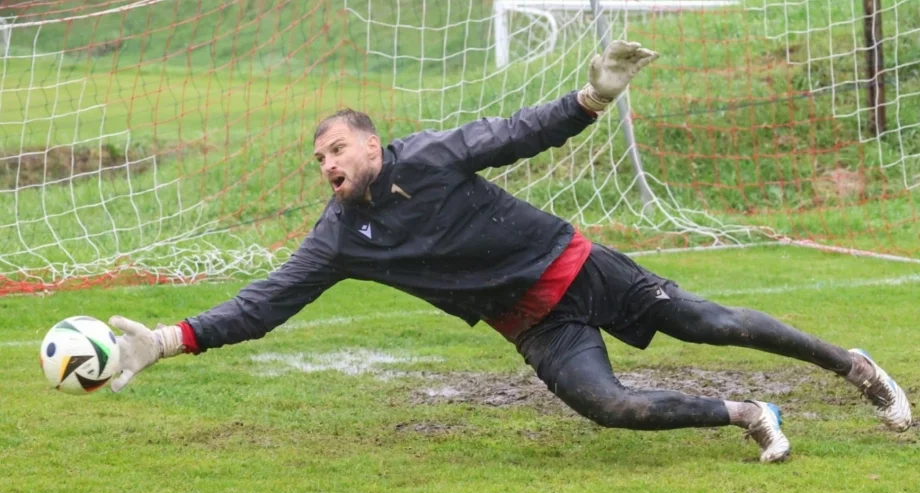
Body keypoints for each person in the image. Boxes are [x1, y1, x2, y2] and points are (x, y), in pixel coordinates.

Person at [107, 41, 911, 463]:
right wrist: (169, 338)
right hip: (535, 325)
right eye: (318, 160)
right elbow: (263, 303)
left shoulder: (430, 155)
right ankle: (747, 413)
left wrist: (590, 98)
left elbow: (517, 133)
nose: (328, 166)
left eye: (337, 150)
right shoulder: (339, 236)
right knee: (610, 405)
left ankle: (854, 366)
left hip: (578, 266)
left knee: (713, 321)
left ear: (374, 144)